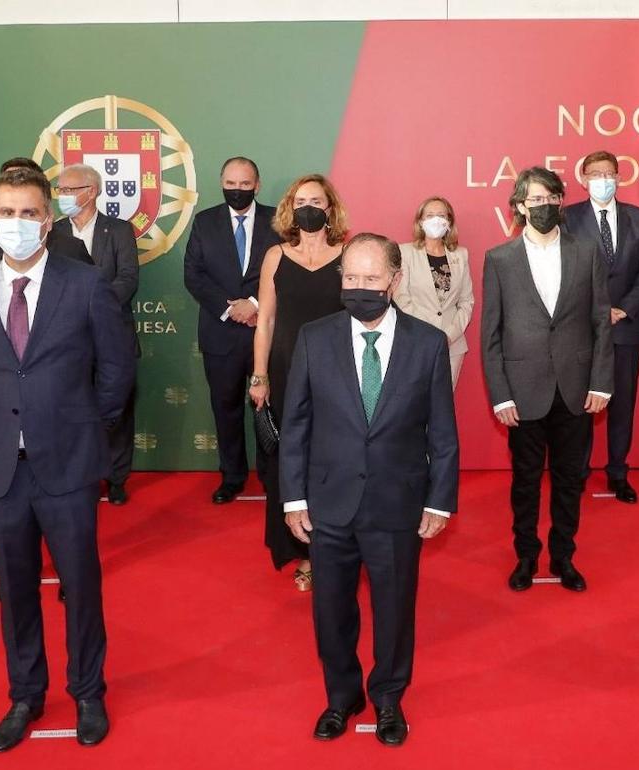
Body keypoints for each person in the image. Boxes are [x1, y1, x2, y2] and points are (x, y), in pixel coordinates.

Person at [0, 167, 134, 752]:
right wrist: (5, 420)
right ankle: (25, 693)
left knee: (80, 583)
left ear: (47, 222)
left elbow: (117, 368)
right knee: (16, 587)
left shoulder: (84, 284)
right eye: (6, 213)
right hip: (1, 468)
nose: (16, 224)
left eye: (29, 213)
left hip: (69, 463)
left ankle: (87, 691)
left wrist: (79, 423)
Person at [280, 232, 458, 748]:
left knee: (394, 608)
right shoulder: (316, 337)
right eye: (350, 278)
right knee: (331, 610)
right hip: (328, 504)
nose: (359, 288)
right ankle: (341, 698)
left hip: (397, 503)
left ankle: (387, 699)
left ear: (394, 281)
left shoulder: (427, 343)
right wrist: (293, 498)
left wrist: (439, 499)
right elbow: (296, 425)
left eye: (370, 279)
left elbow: (442, 433)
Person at [480, 166, 613, 593]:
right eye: (534, 200)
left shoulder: (586, 250)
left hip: (576, 390)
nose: (544, 206)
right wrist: (500, 396)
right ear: (519, 206)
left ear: (560, 203)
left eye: (551, 198)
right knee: (525, 480)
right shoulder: (499, 259)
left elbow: (599, 322)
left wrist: (600, 382)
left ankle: (563, 557)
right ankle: (526, 556)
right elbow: (491, 333)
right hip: (523, 391)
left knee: (570, 480)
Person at [249, 174, 347, 591]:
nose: (309, 206)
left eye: (317, 200)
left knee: (337, 461)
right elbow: (265, 321)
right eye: (301, 199)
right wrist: (260, 375)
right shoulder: (276, 256)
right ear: (291, 207)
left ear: (330, 208)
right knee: (292, 462)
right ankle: (302, 554)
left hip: (339, 372)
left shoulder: (349, 254)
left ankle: (337, 546)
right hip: (288, 370)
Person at [184, 157, 281, 504]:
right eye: (230, 183)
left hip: (265, 331)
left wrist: (255, 304)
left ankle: (273, 478)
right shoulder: (204, 221)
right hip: (220, 333)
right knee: (225, 409)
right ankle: (232, 476)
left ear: (256, 185)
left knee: (268, 407)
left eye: (244, 184)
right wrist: (230, 309)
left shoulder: (277, 221)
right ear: (221, 182)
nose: (236, 190)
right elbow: (193, 275)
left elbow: (285, 268)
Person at [563, 151, 639, 503]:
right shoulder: (568, 218)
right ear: (583, 178)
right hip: (581, 329)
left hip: (625, 328)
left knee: (623, 403)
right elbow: (565, 270)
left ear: (619, 177)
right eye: (595, 173)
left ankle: (618, 472)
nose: (603, 179)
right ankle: (577, 472)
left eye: (609, 173)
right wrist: (595, 310)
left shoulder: (638, 219)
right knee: (580, 404)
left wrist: (623, 309)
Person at [53, 162, 140, 505]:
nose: (63, 197)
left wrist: (93, 307)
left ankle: (117, 479)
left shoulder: (118, 230)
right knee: (72, 413)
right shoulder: (54, 231)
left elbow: (128, 279)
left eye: (69, 190)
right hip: (66, 341)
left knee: (116, 414)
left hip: (111, 337)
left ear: (91, 191)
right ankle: (77, 477)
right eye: (60, 190)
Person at [394, 197, 474, 387]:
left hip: (452, 346)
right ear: (420, 222)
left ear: (449, 222)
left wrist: (449, 335)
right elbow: (402, 299)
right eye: (430, 215)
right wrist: (428, 335)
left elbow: (466, 302)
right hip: (416, 343)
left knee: (444, 405)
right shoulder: (405, 253)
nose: (436, 220)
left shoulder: (460, 255)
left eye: (441, 215)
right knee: (414, 403)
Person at [0, 157, 91, 272]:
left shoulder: (72, 249)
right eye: (8, 212)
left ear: (48, 218)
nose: (17, 221)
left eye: (29, 213)